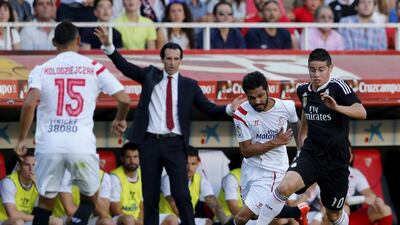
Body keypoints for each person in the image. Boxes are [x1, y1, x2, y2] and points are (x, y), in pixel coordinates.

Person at [95, 27, 244, 225]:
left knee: (182, 194)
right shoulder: (149, 75)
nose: (172, 62)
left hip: (175, 144)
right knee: (150, 196)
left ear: (180, 60)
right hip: (149, 143)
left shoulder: (189, 85)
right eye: (168, 58)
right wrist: (108, 46)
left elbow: (207, 107)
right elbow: (125, 67)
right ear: (162, 59)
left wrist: (228, 109)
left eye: (175, 59)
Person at [14, 21, 131, 225]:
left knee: (45, 203)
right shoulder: (94, 67)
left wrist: (22, 139)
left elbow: (30, 103)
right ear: (78, 40)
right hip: (81, 144)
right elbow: (124, 99)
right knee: (89, 198)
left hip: (49, 144)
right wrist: (119, 118)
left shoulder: (42, 69)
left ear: (53, 42)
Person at [255, 48, 367, 225]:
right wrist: (301, 148)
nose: (316, 74)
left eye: (321, 69)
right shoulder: (303, 91)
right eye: (312, 69)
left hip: (335, 162)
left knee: (333, 215)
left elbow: (362, 112)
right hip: (311, 155)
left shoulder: (338, 87)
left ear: (331, 68)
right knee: (284, 188)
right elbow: (305, 119)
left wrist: (336, 107)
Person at [228, 71, 308, 225]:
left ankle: (297, 211)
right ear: (246, 95)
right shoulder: (241, 114)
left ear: (268, 90)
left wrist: (300, 153)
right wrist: (275, 142)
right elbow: (246, 151)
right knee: (254, 215)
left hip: (273, 170)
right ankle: (297, 211)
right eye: (252, 98)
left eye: (260, 95)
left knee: (242, 217)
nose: (257, 101)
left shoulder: (286, 106)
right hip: (250, 168)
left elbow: (299, 129)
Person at [110, 142, 179, 225]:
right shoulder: (115, 177)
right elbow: (115, 211)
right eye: (128, 157)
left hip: (137, 218)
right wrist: (137, 221)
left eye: (135, 157)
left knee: (172, 219)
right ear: (122, 159)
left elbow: (143, 206)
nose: (132, 161)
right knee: (128, 220)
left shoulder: (143, 173)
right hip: (119, 219)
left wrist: (141, 220)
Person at [159, 147, 228, 225]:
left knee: (208, 222)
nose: (189, 168)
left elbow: (214, 205)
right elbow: (174, 206)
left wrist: (226, 223)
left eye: (193, 164)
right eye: (186, 163)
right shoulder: (168, 178)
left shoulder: (201, 180)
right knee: (173, 220)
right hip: (164, 218)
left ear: (198, 162)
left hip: (185, 218)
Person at [0, 149, 62, 225]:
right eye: (27, 165)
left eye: (34, 165)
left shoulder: (37, 182)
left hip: (25, 220)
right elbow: (13, 214)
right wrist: (41, 218)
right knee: (18, 222)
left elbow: (48, 209)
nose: (31, 169)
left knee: (57, 222)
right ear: (19, 166)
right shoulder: (9, 182)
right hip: (5, 220)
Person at [345, 148, 393, 225]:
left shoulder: (354, 173)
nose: (345, 155)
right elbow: (333, 201)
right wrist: (363, 199)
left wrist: (377, 200)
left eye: (348, 153)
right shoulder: (328, 173)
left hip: (348, 219)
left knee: (385, 209)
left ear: (351, 157)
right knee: (343, 209)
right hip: (327, 217)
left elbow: (370, 194)